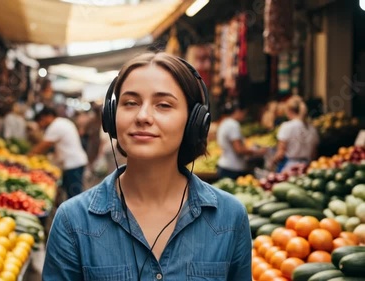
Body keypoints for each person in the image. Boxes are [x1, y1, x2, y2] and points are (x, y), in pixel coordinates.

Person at [42, 52, 252, 280]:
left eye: (163, 105)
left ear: (195, 122)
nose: (143, 116)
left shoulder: (230, 217)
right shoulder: (72, 221)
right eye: (130, 103)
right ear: (111, 118)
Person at [31, 107, 88, 199]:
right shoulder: (62, 122)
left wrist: (29, 155)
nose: (42, 123)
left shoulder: (55, 126)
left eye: (41, 120)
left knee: (74, 195)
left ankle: (76, 213)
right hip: (74, 162)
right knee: (70, 192)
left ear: (48, 117)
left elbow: (44, 145)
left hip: (73, 164)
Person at [216, 100, 267, 179]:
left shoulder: (224, 123)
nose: (244, 116)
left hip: (225, 166)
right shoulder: (233, 125)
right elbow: (239, 149)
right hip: (232, 169)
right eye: (244, 113)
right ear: (238, 111)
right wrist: (257, 152)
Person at [271, 95, 319, 172]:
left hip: (290, 168)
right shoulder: (312, 129)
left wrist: (272, 163)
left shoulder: (286, 127)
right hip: (307, 168)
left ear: (289, 111)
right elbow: (314, 154)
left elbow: (281, 153)